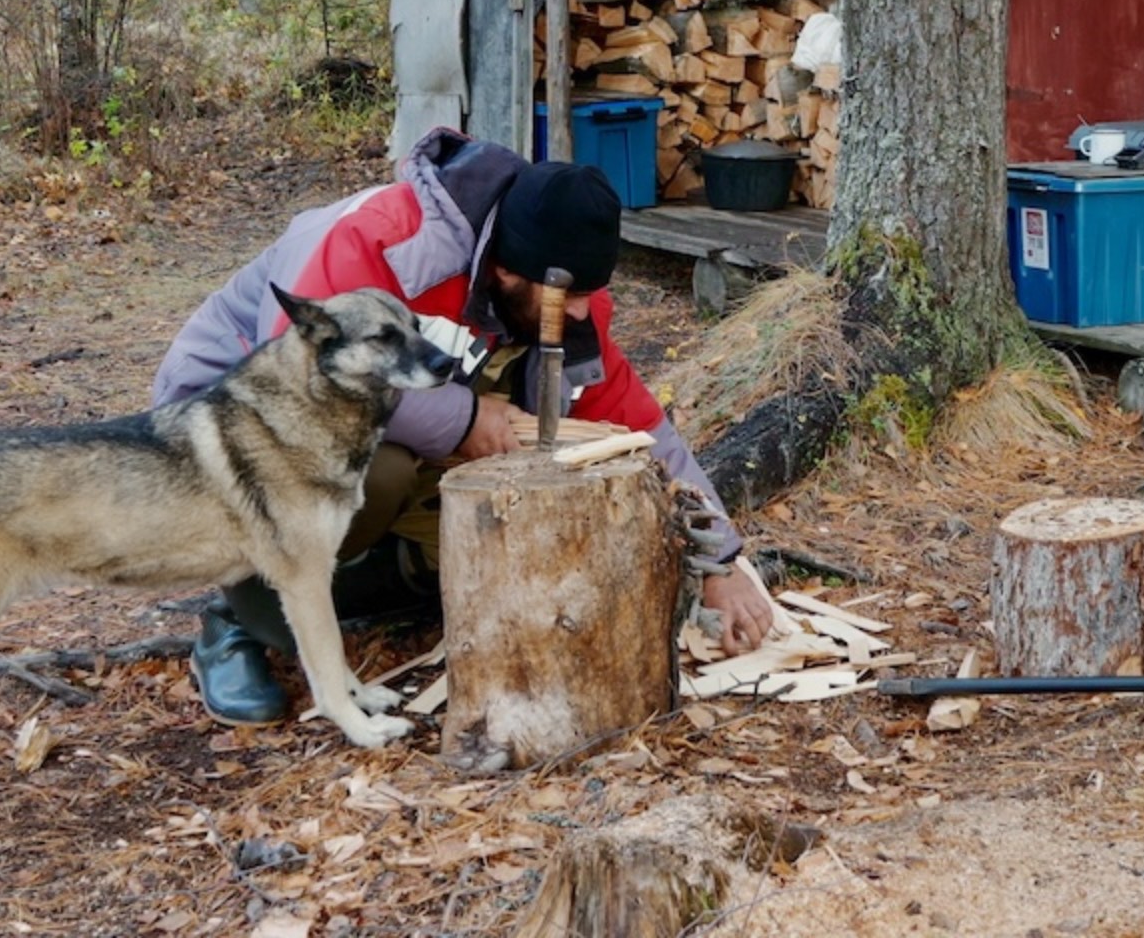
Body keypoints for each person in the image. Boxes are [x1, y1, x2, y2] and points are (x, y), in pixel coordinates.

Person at [154, 127, 775, 726]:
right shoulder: (385, 244)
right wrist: (466, 418)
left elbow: (637, 426)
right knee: (381, 471)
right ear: (507, 271)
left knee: (520, 528)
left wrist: (718, 563)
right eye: (570, 296)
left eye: (591, 291)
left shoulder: (558, 291)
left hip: (361, 414)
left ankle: (381, 584)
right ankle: (239, 618)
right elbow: (305, 376)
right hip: (226, 435)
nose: (584, 311)